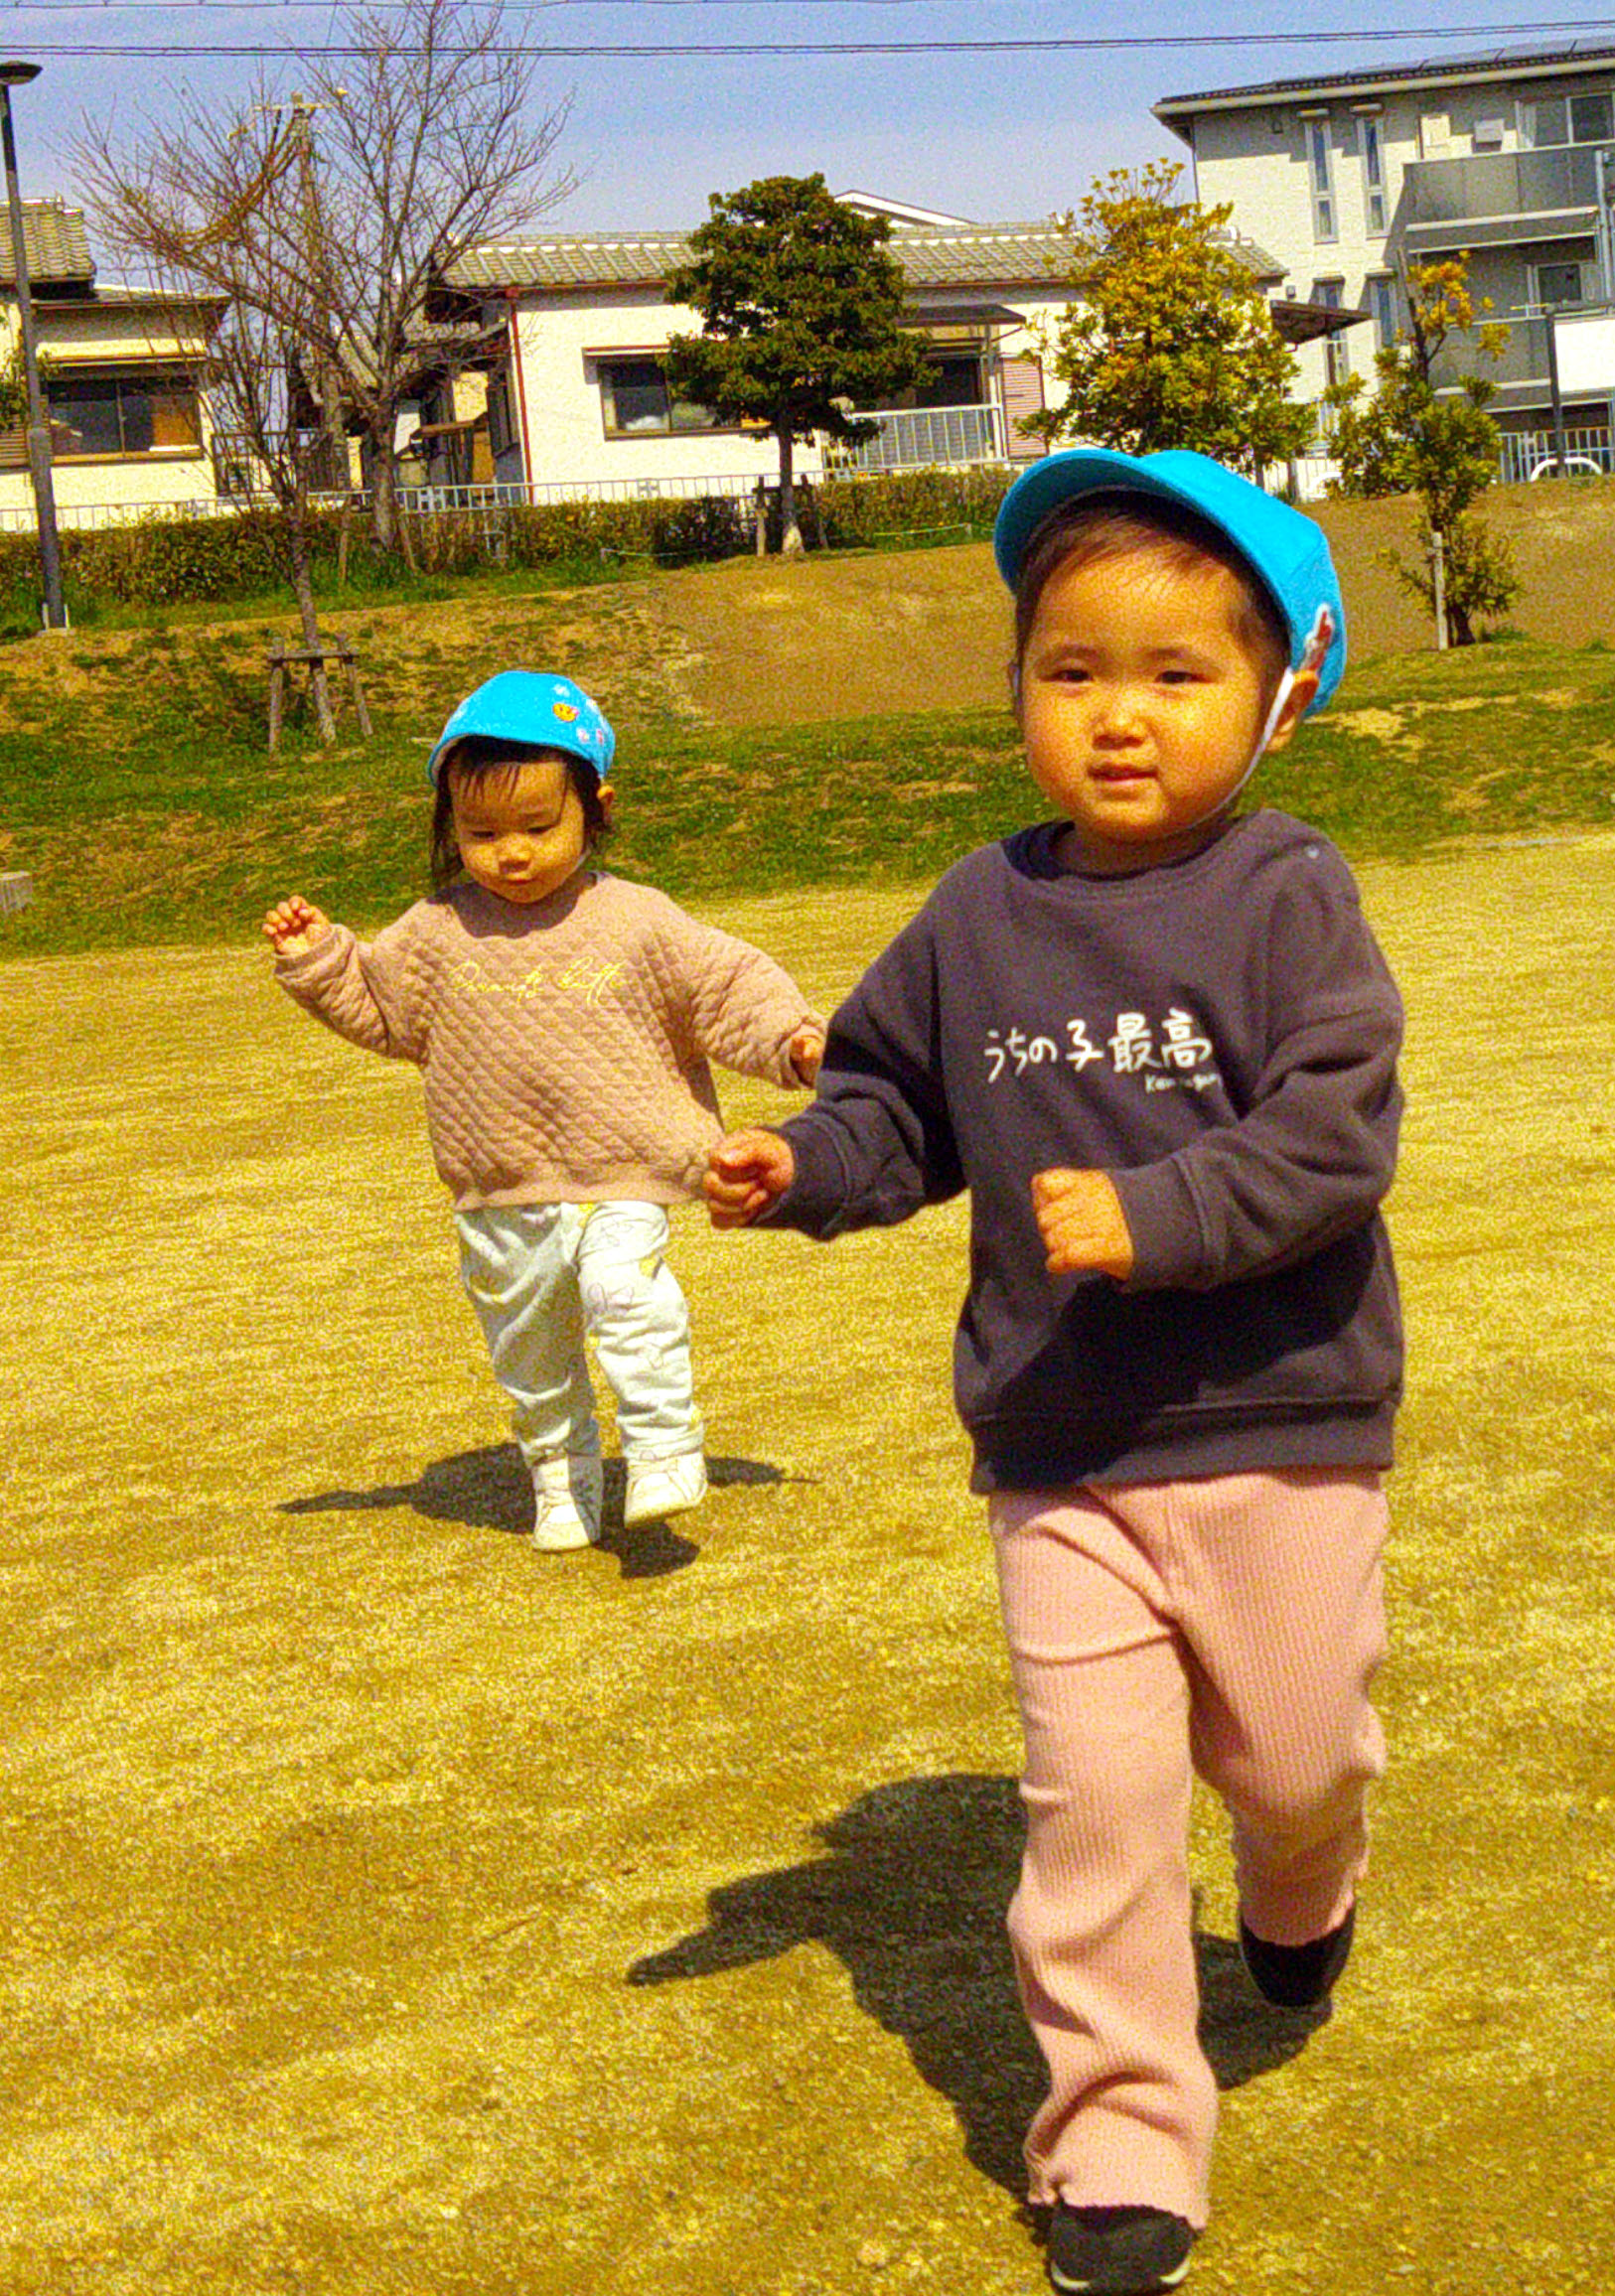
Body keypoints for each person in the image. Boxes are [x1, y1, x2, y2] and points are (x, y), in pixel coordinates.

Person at [704, 449, 1399, 2296]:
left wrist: (1156, 1214)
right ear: (1014, 683)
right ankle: (1121, 2136)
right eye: (1070, 669)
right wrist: (802, 1168)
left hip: (1280, 1420)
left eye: (1177, 674)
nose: (1117, 716)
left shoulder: (1288, 894)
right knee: (1095, 1810)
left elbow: (1335, 1139)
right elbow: (892, 1105)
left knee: (1296, 1749)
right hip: (1061, 1442)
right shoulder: (977, 912)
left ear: (1281, 694)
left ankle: (1304, 1877)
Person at [264, 670, 823, 1550]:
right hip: (500, 1187)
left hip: (624, 1170)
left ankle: (664, 1448)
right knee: (529, 1352)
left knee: (621, 1292)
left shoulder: (636, 920)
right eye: (481, 833)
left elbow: (724, 987)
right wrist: (319, 960)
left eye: (537, 826)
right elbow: (380, 1010)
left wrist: (794, 1041)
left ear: (597, 809)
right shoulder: (435, 931)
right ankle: (561, 1477)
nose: (510, 853)